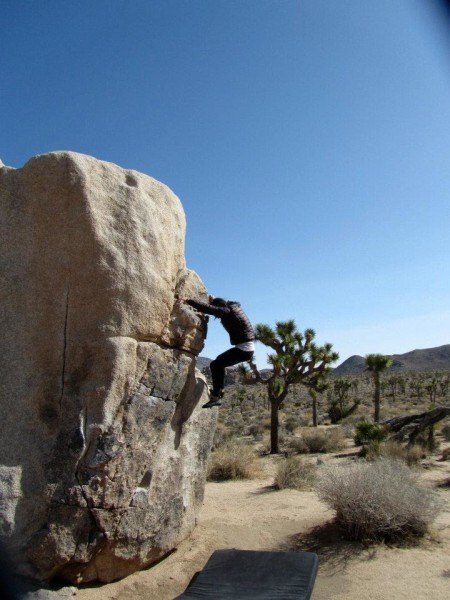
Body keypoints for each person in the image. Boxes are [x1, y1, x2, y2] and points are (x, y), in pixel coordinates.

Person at [176, 295, 255, 408]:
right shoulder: (234, 307)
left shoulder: (226, 311)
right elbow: (228, 303)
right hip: (247, 348)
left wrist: (188, 300)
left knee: (216, 364)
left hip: (244, 349)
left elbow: (208, 309)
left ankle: (216, 397)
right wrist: (213, 300)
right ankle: (220, 391)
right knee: (219, 364)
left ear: (219, 307)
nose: (218, 317)